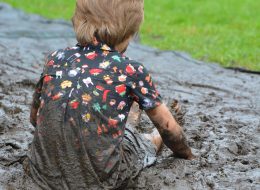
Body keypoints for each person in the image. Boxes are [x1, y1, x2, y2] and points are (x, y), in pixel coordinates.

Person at [27, 0, 195, 189]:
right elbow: (168, 129)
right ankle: (136, 123)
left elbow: (35, 119)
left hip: (43, 171)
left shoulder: (55, 58)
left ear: (78, 21)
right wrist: (187, 154)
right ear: (130, 33)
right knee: (145, 142)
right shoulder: (131, 70)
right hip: (100, 178)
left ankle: (129, 118)